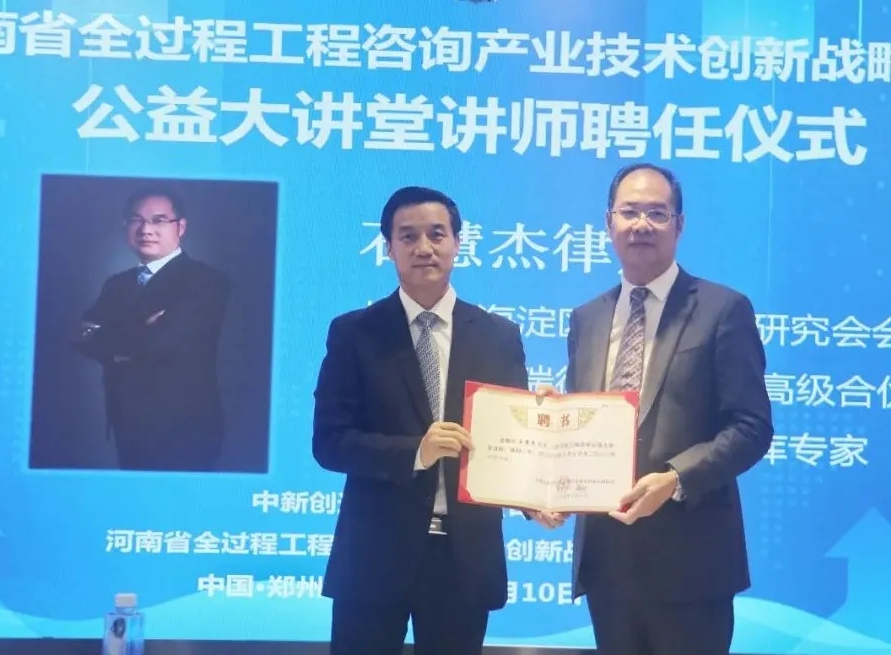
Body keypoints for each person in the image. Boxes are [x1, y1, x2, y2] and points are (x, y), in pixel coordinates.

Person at [537, 163, 773, 655]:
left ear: (679, 225)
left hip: (693, 564)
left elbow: (751, 427)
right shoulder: (587, 318)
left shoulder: (723, 309)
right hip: (608, 564)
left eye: (657, 213)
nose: (641, 224)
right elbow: (588, 423)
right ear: (609, 223)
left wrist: (675, 478)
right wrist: (554, 433)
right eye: (629, 212)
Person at [312, 186, 532, 655]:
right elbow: (329, 442)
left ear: (458, 242)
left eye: (437, 234)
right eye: (408, 236)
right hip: (374, 555)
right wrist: (416, 451)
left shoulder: (498, 337)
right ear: (388, 248)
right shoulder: (354, 333)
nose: (424, 247)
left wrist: (539, 489)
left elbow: (513, 441)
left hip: (462, 557)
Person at [73, 187, 230, 472]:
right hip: (125, 423)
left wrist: (109, 338)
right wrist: (140, 330)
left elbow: (163, 343)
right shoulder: (117, 284)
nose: (145, 229)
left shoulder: (204, 280)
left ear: (181, 226)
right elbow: (82, 337)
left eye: (159, 220)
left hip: (184, 427)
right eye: (136, 220)